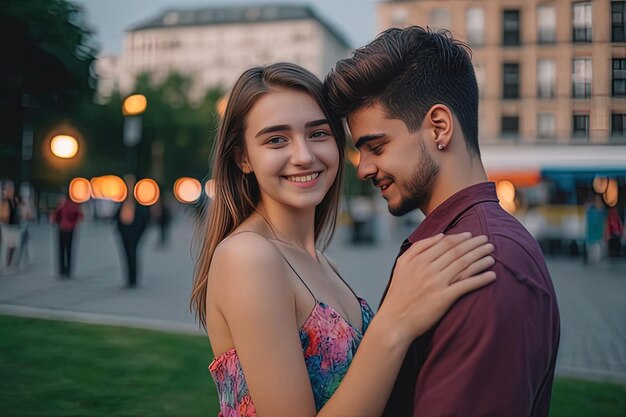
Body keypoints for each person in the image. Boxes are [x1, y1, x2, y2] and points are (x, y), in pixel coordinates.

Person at [190, 62, 497, 417]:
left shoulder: (324, 262)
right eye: (276, 139)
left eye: (318, 133)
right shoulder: (248, 257)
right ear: (243, 158)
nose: (304, 156)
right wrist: (393, 322)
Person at [324, 26, 560, 417]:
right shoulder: (458, 244)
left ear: (438, 127)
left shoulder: (483, 263)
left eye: (376, 147)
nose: (363, 168)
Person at [115, 175, 150, 288]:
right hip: (124, 233)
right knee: (125, 255)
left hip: (134, 234)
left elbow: (144, 221)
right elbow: (117, 219)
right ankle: (128, 279)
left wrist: (138, 234)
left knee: (133, 255)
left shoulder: (140, 206)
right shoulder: (122, 203)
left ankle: (133, 279)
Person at [52, 193, 84, 278]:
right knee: (69, 250)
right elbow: (80, 216)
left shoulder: (61, 204)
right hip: (71, 229)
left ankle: (62, 270)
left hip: (62, 228)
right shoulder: (75, 204)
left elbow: (56, 216)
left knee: (61, 249)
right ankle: (69, 270)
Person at [0, 180, 21, 268]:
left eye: (10, 189)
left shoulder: (14, 200)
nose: (9, 191)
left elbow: (17, 212)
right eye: (8, 189)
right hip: (6, 226)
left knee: (13, 245)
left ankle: (9, 263)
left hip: (13, 225)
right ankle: (8, 263)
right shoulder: (4, 201)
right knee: (9, 245)